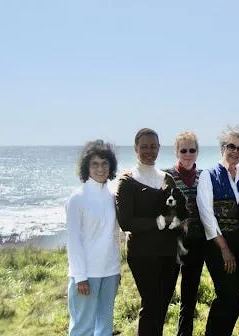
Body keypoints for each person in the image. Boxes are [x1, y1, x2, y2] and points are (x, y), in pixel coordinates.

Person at [115, 128, 179, 336]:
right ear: (135, 149)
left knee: (162, 307)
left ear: (159, 148)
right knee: (151, 305)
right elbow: (126, 222)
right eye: (144, 147)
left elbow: (176, 211)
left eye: (153, 147)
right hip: (142, 254)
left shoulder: (167, 178)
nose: (149, 151)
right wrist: (158, 221)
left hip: (169, 254)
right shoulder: (127, 181)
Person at [196, 125, 239, 336]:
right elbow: (207, 215)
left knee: (237, 297)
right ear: (222, 148)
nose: (236, 152)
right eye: (231, 146)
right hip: (218, 245)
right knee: (226, 295)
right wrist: (224, 248)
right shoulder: (209, 176)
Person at [66, 140, 121, 336]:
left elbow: (114, 235)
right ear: (86, 167)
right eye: (95, 164)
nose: (100, 168)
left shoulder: (112, 196)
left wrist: (117, 270)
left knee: (105, 327)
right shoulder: (77, 198)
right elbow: (73, 241)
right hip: (86, 274)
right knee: (82, 328)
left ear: (111, 166)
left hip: (110, 272)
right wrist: (80, 276)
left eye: (105, 163)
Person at [163, 131, 205, 336]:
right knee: (164, 295)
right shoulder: (166, 176)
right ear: (176, 152)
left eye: (192, 150)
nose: (188, 154)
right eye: (183, 150)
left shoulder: (204, 176)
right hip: (172, 245)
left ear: (197, 151)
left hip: (197, 243)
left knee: (189, 298)